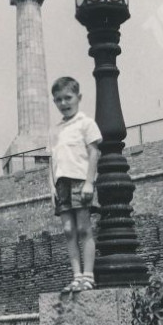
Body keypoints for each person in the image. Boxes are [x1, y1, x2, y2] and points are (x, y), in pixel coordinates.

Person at [49, 76, 102, 292]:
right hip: (61, 183)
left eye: (68, 98)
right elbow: (51, 160)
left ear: (78, 97)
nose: (64, 103)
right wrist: (51, 188)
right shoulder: (55, 130)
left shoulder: (86, 123)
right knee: (69, 230)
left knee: (83, 228)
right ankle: (76, 276)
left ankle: (88, 276)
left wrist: (90, 182)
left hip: (80, 180)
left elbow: (94, 152)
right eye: (58, 99)